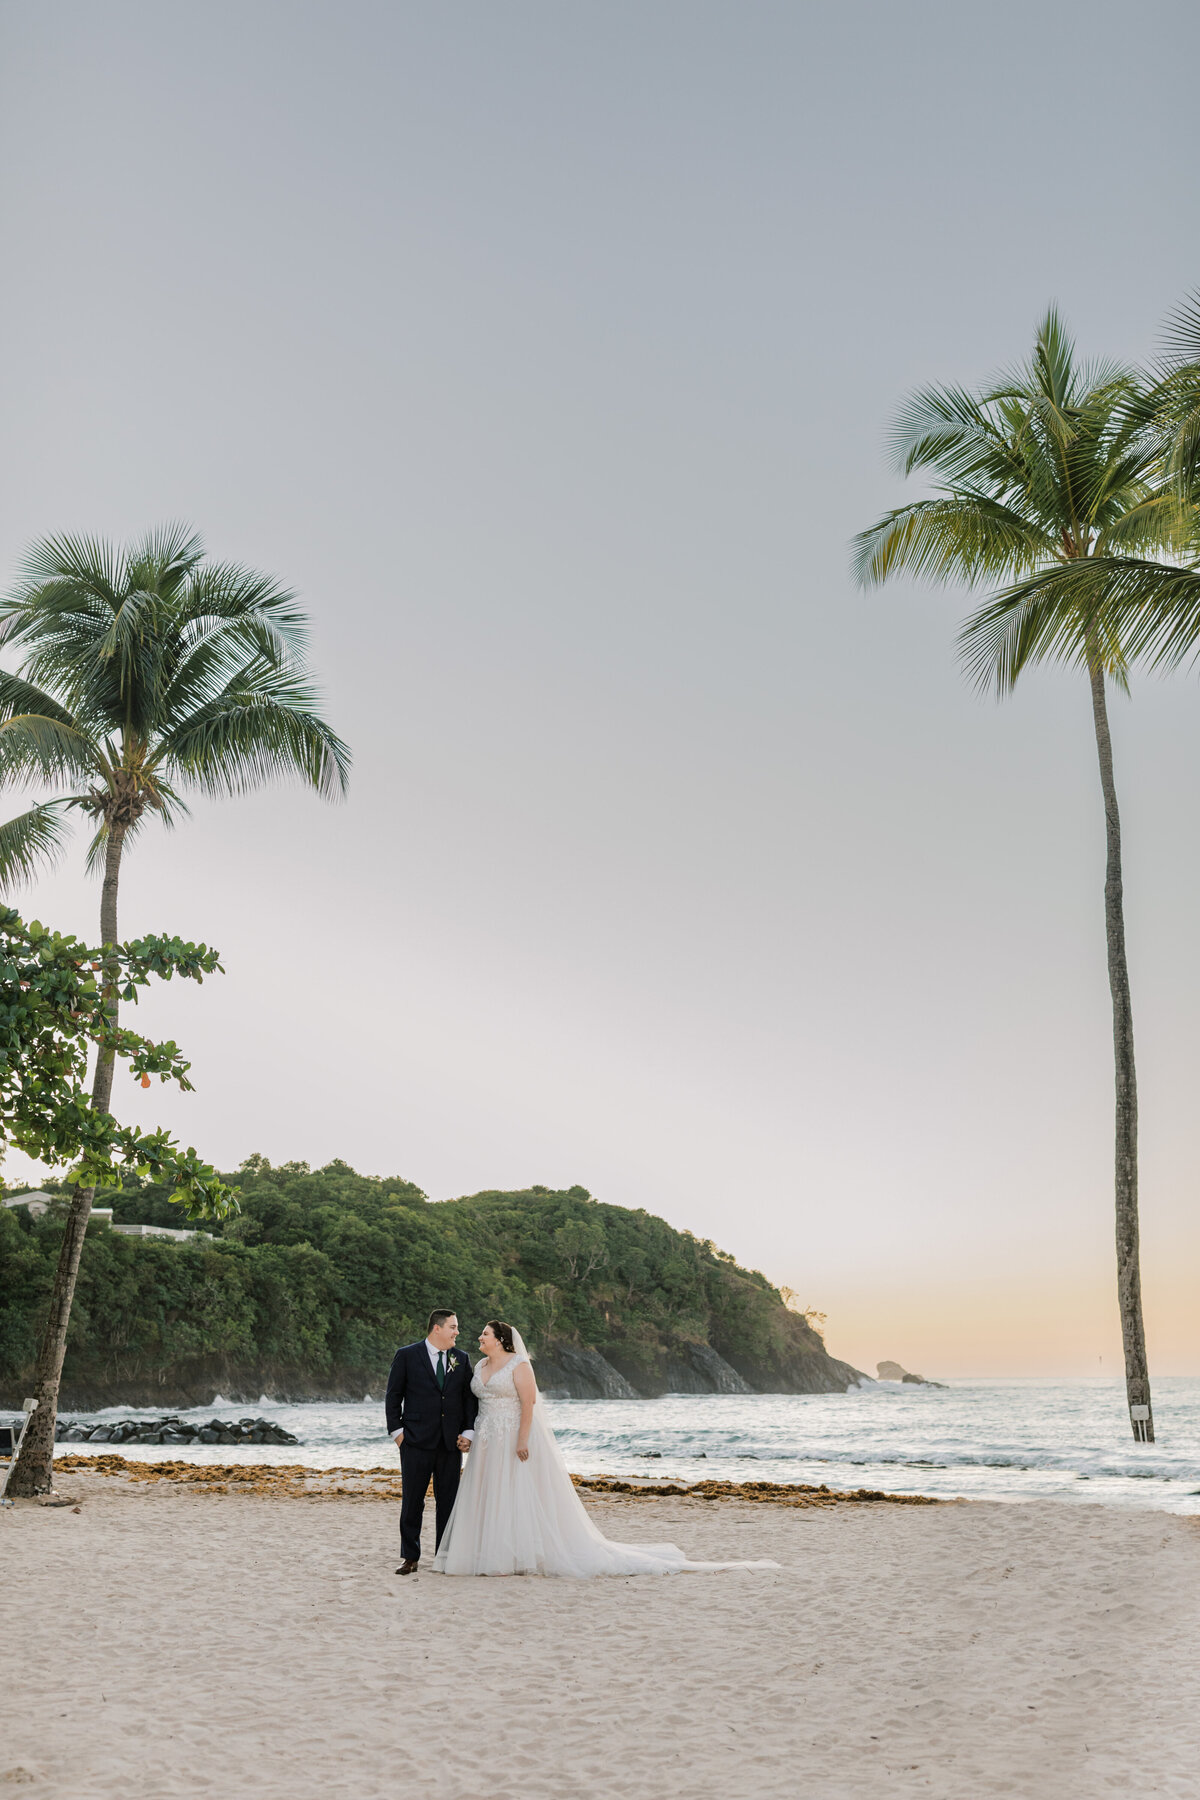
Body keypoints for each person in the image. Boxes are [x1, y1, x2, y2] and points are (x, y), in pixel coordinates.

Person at [432, 1320, 778, 1578]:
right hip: (487, 1438)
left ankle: (514, 1557)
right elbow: (476, 1402)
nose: (479, 1337)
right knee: (488, 1494)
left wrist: (523, 1440)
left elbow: (529, 1404)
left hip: (512, 1436)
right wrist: (471, 1434)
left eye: (485, 1334)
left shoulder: (519, 1366)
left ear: (501, 1339)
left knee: (517, 1494)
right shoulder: (478, 1366)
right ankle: (487, 1552)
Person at [385, 1309, 478, 1575]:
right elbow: (393, 1396)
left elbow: (468, 1399)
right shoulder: (407, 1355)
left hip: (450, 1443)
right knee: (412, 1500)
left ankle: (444, 1556)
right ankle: (410, 1557)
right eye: (453, 1327)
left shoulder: (461, 1358)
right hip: (414, 1441)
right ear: (437, 1328)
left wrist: (468, 1431)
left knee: (448, 1501)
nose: (457, 1332)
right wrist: (397, 1433)